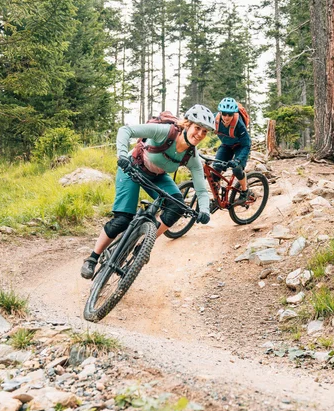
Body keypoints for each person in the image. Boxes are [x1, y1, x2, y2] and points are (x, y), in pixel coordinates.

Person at [80, 105, 215, 279]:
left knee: (178, 206)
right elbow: (125, 130)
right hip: (132, 167)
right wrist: (121, 156)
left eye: (205, 132)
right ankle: (92, 257)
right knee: (122, 220)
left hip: (156, 176)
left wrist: (204, 210)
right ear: (187, 125)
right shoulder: (165, 132)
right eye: (197, 128)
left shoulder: (192, 157)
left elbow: (201, 190)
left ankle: (144, 246)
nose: (200, 134)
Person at [213, 97, 252, 200]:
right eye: (224, 113)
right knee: (215, 170)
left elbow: (247, 145)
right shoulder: (214, 119)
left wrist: (238, 160)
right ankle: (216, 198)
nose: (226, 117)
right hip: (226, 145)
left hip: (240, 146)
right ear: (220, 112)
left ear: (234, 114)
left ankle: (245, 191)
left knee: (237, 169)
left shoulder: (239, 125)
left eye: (230, 114)